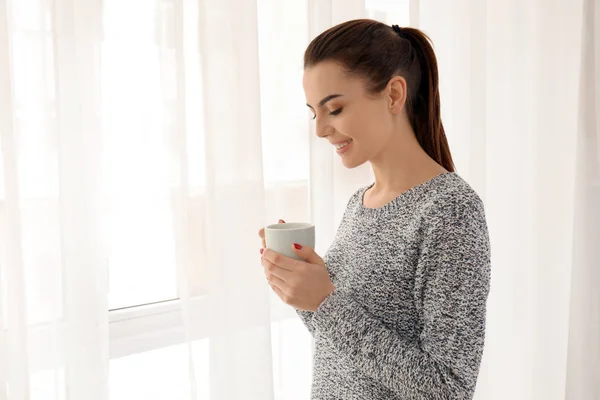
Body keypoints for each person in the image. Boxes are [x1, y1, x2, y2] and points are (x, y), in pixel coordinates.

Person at [258, 19, 491, 400]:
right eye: (313, 112)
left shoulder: (450, 211)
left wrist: (325, 302)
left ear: (394, 95)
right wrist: (299, 286)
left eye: (334, 108)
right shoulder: (360, 203)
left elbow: (448, 390)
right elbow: (343, 348)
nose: (319, 129)